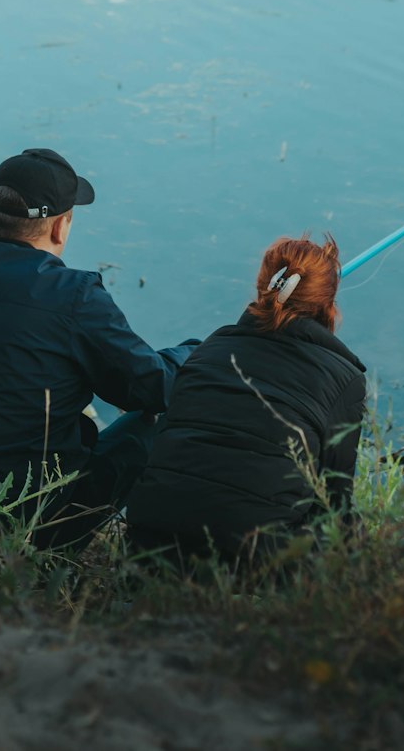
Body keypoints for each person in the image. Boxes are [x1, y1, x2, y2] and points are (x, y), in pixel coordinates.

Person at [0, 147, 196, 546]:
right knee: (156, 422)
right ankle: (154, 555)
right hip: (29, 519)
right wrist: (196, 354)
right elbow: (151, 388)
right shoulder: (73, 296)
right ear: (61, 227)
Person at [126, 234, 365, 564]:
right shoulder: (344, 378)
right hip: (254, 559)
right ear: (328, 303)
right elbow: (334, 499)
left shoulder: (206, 350)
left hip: (151, 543)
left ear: (262, 286)